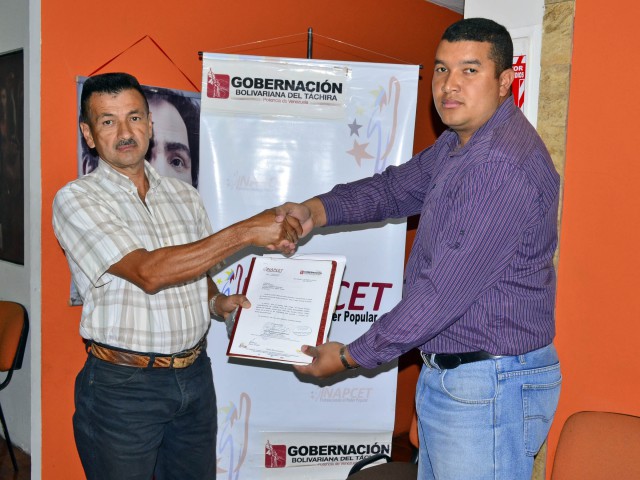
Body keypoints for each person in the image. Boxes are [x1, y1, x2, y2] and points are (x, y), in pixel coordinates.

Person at [277, 18, 562, 480]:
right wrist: (316, 210)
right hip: (462, 377)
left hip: (488, 384)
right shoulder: (461, 141)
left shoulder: (500, 166)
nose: (449, 86)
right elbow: (395, 189)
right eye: (442, 70)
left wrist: (351, 356)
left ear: (506, 81)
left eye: (470, 71)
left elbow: (438, 296)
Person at [52, 72, 301, 480]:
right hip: (124, 387)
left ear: (149, 124)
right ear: (89, 133)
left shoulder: (185, 195)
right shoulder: (77, 198)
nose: (125, 132)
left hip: (194, 376)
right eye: (108, 121)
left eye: (134, 117)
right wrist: (246, 231)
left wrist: (216, 302)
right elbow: (149, 272)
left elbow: (194, 268)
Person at [81, 85, 201, 188]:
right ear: (88, 168)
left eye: (176, 162)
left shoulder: (191, 198)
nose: (161, 173)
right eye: (145, 158)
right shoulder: (78, 198)